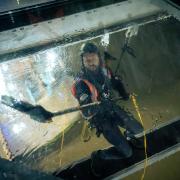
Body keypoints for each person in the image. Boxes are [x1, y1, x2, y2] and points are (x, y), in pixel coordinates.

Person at [71, 42, 143, 161]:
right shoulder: (81, 83)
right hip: (102, 120)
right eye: (86, 59)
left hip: (112, 109)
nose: (90, 61)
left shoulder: (105, 71)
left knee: (138, 129)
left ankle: (128, 136)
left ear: (98, 57)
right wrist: (96, 105)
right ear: (82, 61)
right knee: (128, 153)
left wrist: (122, 91)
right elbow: (87, 111)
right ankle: (99, 156)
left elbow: (113, 82)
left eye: (93, 57)